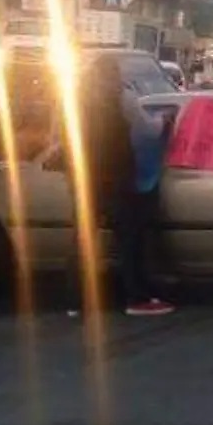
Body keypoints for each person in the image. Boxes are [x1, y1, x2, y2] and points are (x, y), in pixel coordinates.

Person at [67, 59, 174, 317]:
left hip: (83, 178)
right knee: (130, 238)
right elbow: (148, 130)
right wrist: (166, 120)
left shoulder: (76, 99)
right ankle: (137, 299)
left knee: (82, 240)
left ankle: (76, 302)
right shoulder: (122, 98)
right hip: (115, 177)